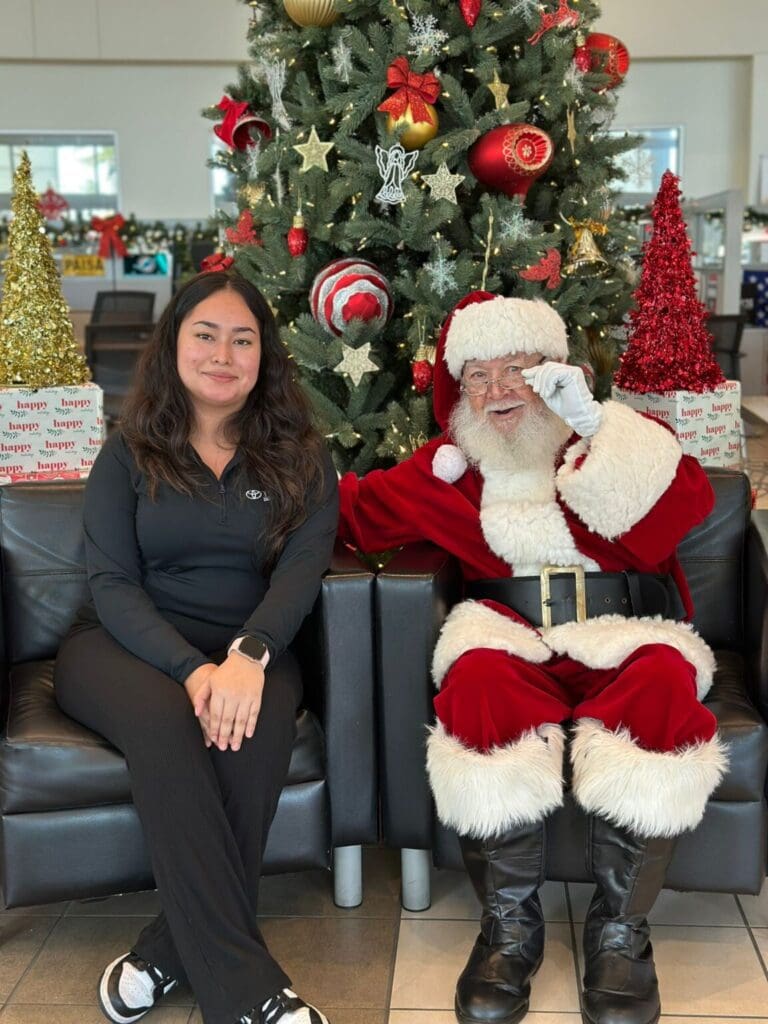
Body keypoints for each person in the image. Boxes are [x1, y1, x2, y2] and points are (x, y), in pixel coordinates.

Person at [338, 291, 728, 1024]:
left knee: (662, 683)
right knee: (477, 683)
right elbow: (354, 511)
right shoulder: (449, 469)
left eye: (516, 369)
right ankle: (510, 928)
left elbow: (690, 501)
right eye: (478, 375)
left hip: (623, 630)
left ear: (556, 373)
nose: (497, 390)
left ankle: (621, 931)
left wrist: (593, 427)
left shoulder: (610, 439)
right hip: (509, 633)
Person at [54, 269, 338, 1024]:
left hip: (253, 648)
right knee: (169, 722)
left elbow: (302, 573)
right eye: (205, 335)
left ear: (264, 357)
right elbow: (112, 583)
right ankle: (247, 997)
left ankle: (163, 951)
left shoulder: (304, 456)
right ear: (173, 347)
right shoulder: (127, 452)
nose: (223, 354)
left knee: (258, 722)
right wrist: (191, 670)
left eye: (242, 339)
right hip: (124, 647)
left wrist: (248, 656)